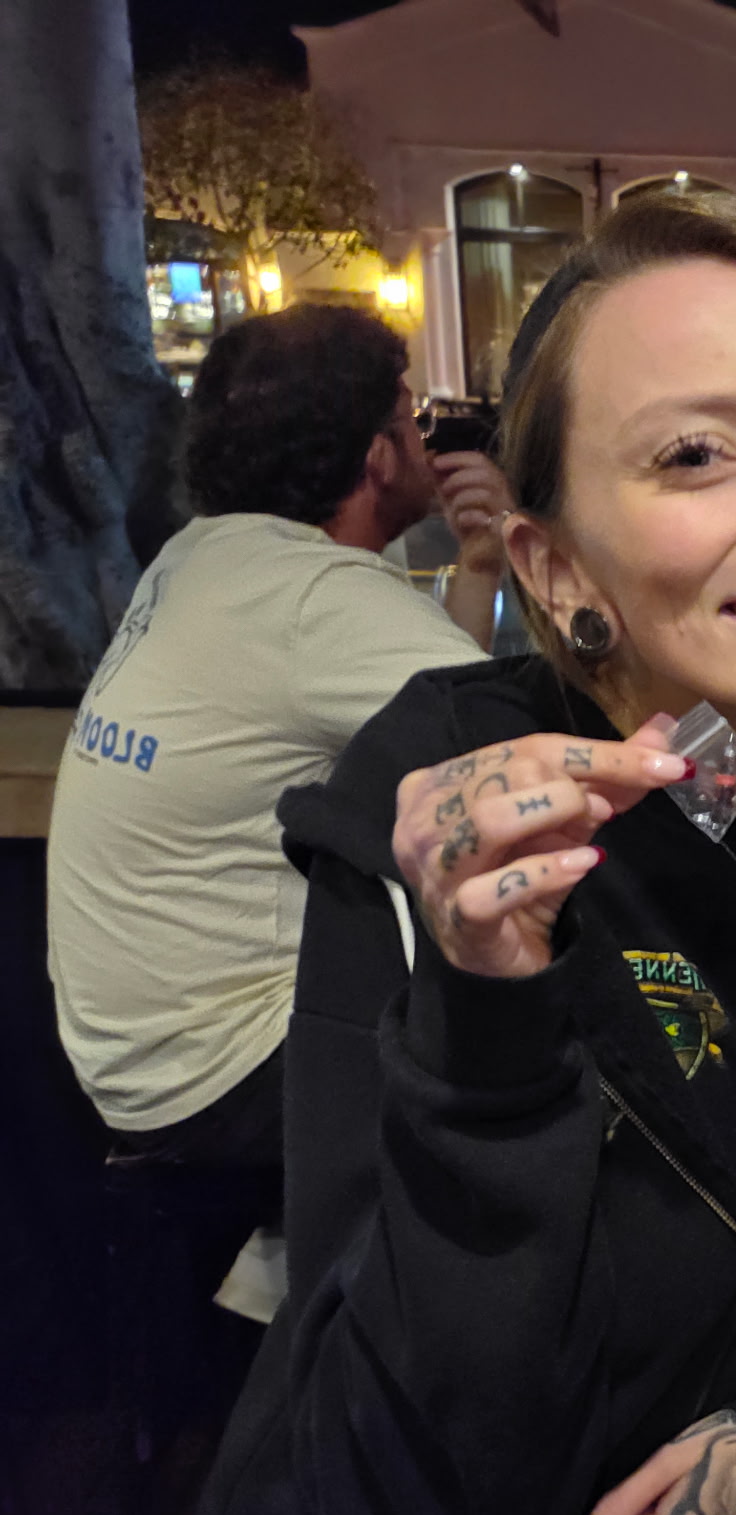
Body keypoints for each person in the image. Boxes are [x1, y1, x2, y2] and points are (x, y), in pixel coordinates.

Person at [201, 193, 736, 1515]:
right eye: (700, 453)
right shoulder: (443, 827)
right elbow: (385, 1462)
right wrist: (487, 1019)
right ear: (551, 566)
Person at [46, 304, 502, 1172]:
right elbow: (515, 749)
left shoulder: (201, 556)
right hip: (229, 1083)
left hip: (131, 1070)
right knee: (550, 1013)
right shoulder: (312, 597)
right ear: (378, 455)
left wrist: (478, 568)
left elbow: (440, 725)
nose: (424, 432)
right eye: (411, 415)